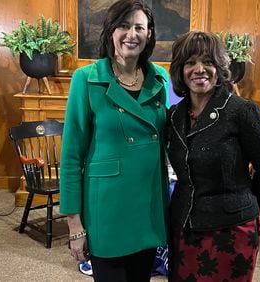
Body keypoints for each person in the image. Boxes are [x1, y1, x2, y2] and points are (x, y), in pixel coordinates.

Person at [59, 1, 170, 281]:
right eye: (123, 25)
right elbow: (72, 156)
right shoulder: (86, 78)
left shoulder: (161, 78)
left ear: (149, 34)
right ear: (110, 30)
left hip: (148, 205)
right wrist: (75, 226)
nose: (131, 34)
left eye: (139, 27)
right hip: (107, 211)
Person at [167, 31, 260, 282]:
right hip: (184, 228)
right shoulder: (174, 115)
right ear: (180, 70)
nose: (200, 69)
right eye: (190, 62)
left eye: (208, 62)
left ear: (219, 67)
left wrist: (246, 205)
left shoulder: (242, 111)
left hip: (231, 231)